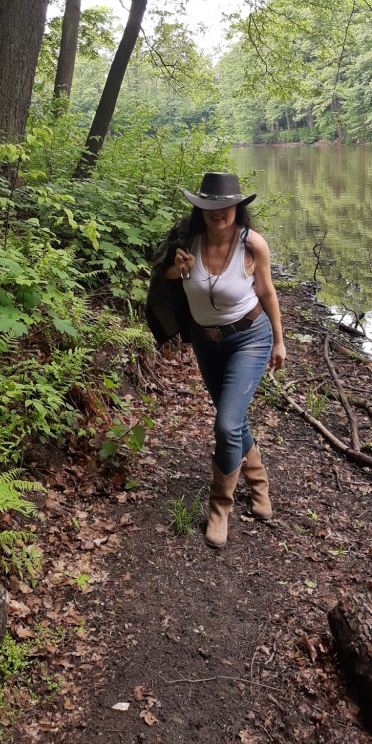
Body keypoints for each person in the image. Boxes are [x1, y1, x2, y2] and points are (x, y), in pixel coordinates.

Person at [146, 172, 286, 548]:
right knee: (233, 420)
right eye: (209, 206)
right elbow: (167, 278)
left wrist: (279, 341)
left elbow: (267, 293)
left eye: (225, 206)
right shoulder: (187, 243)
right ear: (200, 210)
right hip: (207, 344)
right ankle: (259, 486)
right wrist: (177, 267)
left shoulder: (252, 245)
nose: (217, 212)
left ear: (237, 208)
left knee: (225, 425)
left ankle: (219, 509)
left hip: (250, 339)